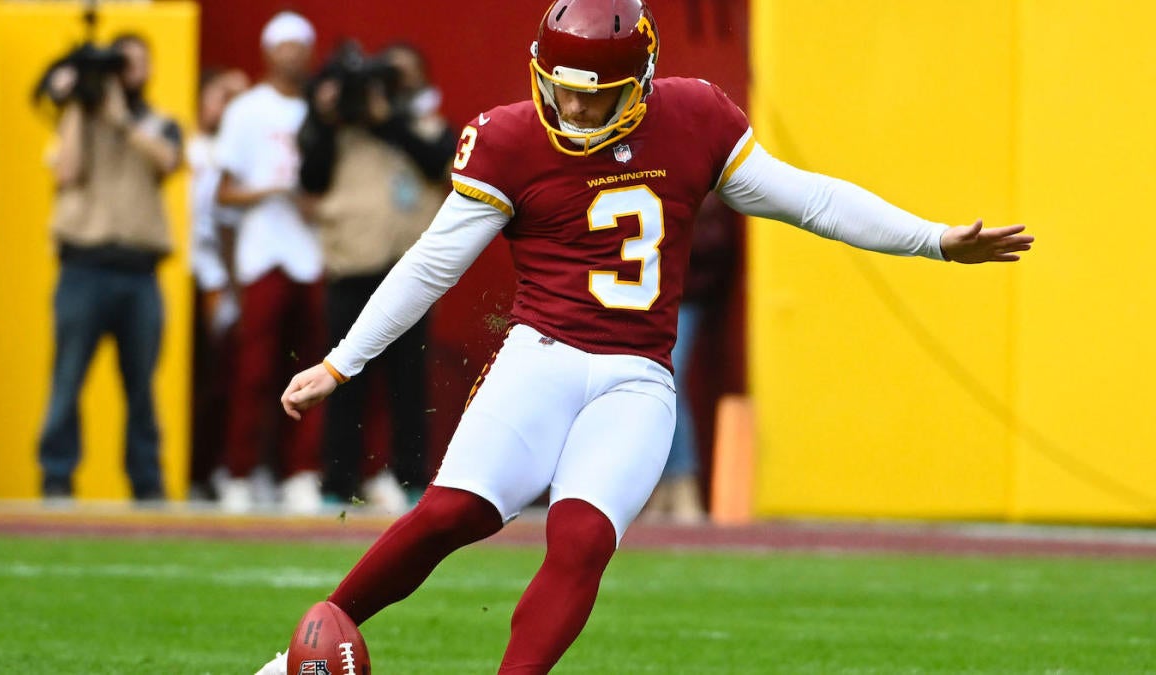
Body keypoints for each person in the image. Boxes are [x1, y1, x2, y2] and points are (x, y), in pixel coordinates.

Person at [258, 0, 1033, 672]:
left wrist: (932, 239)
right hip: (540, 355)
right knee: (451, 512)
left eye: (597, 98)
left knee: (583, 538)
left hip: (635, 377)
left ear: (643, 81)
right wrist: (341, 361)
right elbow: (431, 263)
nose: (576, 112)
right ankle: (303, 649)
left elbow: (812, 200)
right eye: (561, 92)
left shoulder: (695, 117)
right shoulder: (509, 138)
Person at [297, 42, 455, 513]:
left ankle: (411, 481)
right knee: (342, 381)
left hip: (408, 273)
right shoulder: (335, 133)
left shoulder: (426, 127)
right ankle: (337, 483)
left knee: (410, 384)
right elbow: (311, 178)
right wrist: (327, 116)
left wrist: (383, 116)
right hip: (351, 269)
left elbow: (433, 163)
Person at [38, 33, 182, 501]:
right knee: (67, 379)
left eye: (137, 61)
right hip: (82, 265)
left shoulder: (160, 123)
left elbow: (167, 162)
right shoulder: (80, 120)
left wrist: (120, 120)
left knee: (141, 387)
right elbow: (66, 173)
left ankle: (146, 482)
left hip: (140, 271)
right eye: (121, 62)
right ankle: (56, 476)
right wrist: (80, 101)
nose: (128, 70)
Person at [214, 11, 326, 514]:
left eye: (299, 46)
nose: (292, 55)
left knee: (314, 368)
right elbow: (223, 191)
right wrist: (273, 190)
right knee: (254, 371)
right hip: (264, 250)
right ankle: (240, 471)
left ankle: (300, 472)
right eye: (283, 46)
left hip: (312, 250)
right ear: (267, 52)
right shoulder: (247, 110)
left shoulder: (319, 109)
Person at [644, 192, 738, 523]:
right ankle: (665, 490)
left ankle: (682, 487)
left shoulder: (697, 179)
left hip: (680, 296)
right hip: (643, 296)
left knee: (668, 383)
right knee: (656, 386)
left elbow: (712, 246)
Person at [187, 67, 250, 500]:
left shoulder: (244, 150)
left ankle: (216, 469)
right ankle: (194, 469)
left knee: (226, 380)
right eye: (222, 95)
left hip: (231, 273)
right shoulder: (192, 148)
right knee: (199, 379)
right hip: (198, 271)